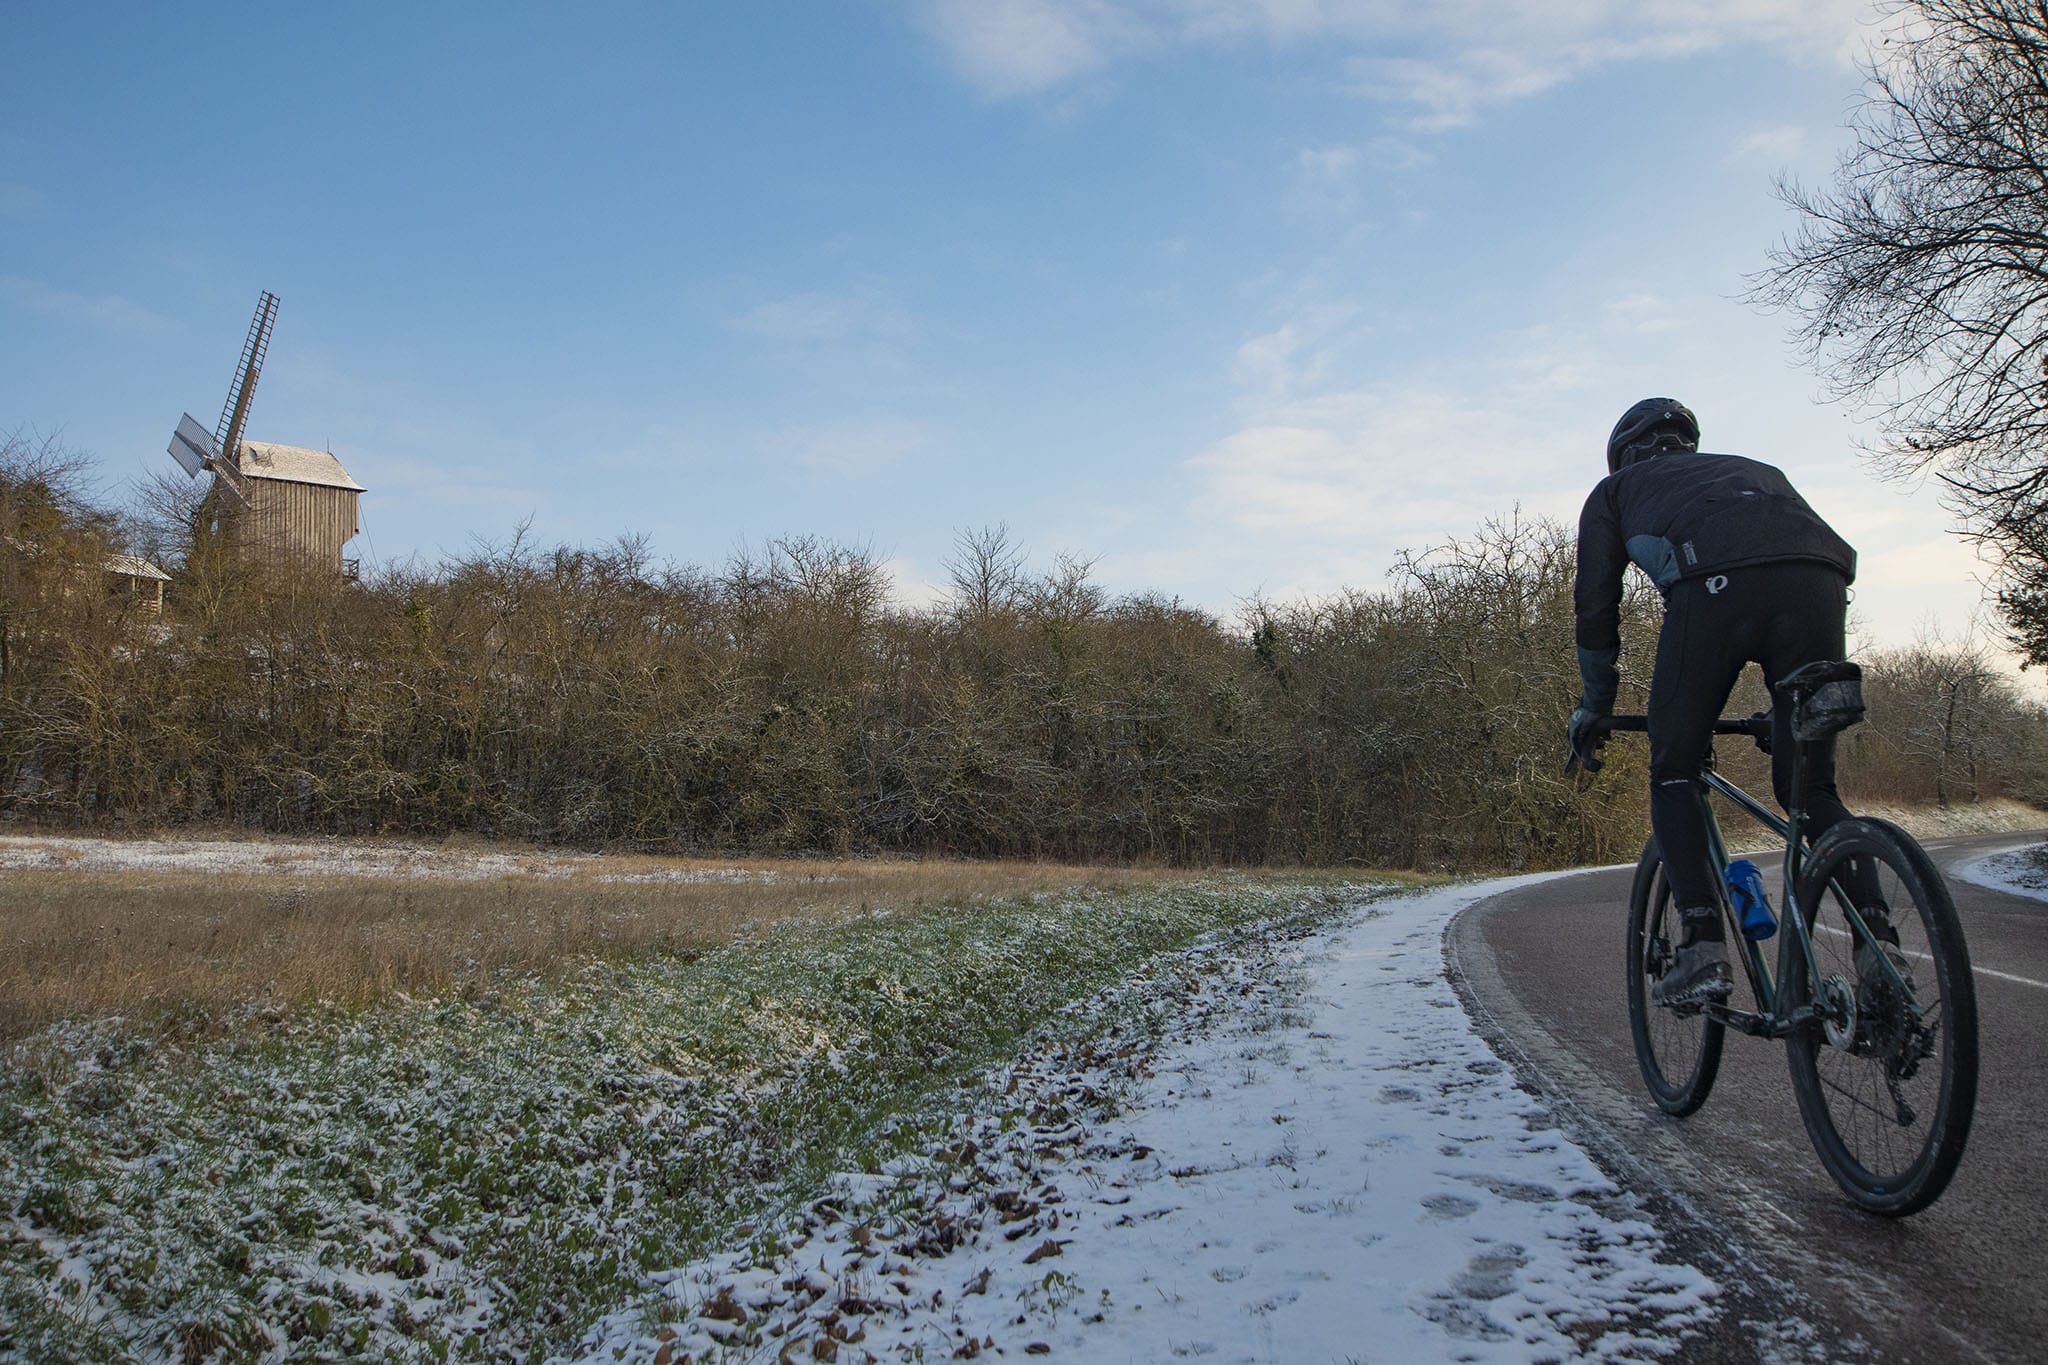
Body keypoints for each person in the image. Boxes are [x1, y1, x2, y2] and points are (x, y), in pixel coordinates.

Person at [1567, 398, 1878, 1005]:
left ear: (1623, 453)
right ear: (1688, 442)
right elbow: (1783, 558)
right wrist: (1781, 709)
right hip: (1822, 581)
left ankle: (1703, 946)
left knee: (1675, 768)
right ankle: (1879, 945)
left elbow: (1594, 608)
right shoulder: (1756, 470)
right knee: (1810, 790)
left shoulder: (1615, 491)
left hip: (1712, 582)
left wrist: (1595, 705)